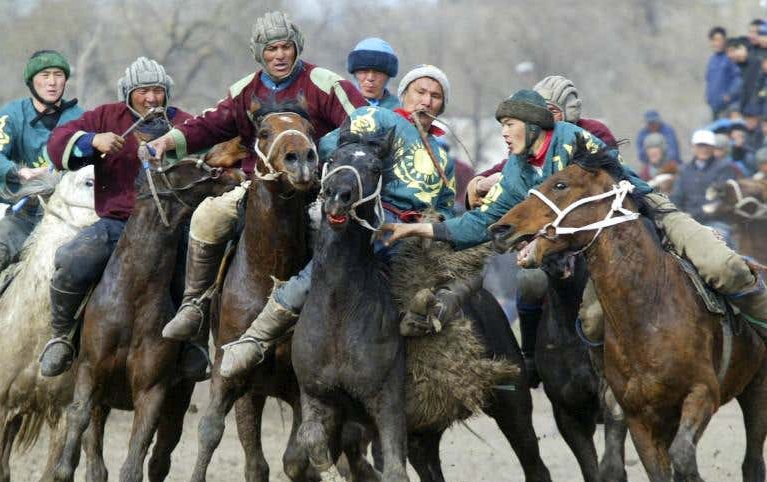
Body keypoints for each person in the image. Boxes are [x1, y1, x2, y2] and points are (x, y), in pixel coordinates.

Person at [383, 90, 767, 382]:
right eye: (501, 126)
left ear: (533, 126)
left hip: (648, 214)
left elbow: (613, 192)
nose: (503, 133)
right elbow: (482, 222)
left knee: (725, 266)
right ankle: (610, 387)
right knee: (592, 320)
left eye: (509, 125)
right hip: (591, 253)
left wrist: (542, 238)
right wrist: (418, 228)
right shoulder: (518, 169)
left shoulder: (571, 141)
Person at [218, 65, 457, 379]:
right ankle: (256, 337)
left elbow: (446, 208)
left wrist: (434, 228)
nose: (426, 101)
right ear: (405, 94)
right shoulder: (377, 119)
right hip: (361, 219)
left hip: (410, 238)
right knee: (316, 272)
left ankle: (413, 370)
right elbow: (328, 147)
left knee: (431, 296)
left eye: (435, 96)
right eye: (420, 92)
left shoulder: (442, 157)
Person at [152, 11, 366, 343]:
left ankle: (350, 319)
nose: (279, 56)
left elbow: (363, 123)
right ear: (259, 53)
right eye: (271, 49)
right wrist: (169, 141)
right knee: (207, 216)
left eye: (286, 47)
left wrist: (320, 147)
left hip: (317, 188)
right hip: (259, 191)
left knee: (338, 236)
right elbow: (209, 124)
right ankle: (194, 305)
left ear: (297, 48)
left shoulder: (325, 82)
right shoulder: (244, 90)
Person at [39, 57, 195, 377]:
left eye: (158, 91)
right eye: (143, 91)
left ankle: (194, 345)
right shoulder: (106, 116)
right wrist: (91, 140)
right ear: (128, 93)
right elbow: (56, 145)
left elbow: (211, 147)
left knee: (197, 272)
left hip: (170, 226)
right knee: (72, 259)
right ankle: (62, 335)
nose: (152, 98)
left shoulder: (182, 122)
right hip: (117, 224)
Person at [0, 50, 82, 376]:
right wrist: (18, 172)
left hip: (71, 219)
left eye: (58, 75)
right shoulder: (11, 116)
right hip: (25, 216)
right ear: (32, 81)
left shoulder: (82, 118)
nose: (52, 82)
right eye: (45, 76)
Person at [466, 75, 616, 209]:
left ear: (569, 113)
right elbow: (511, 166)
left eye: (552, 111)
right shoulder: (531, 137)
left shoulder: (593, 132)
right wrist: (479, 185)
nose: (543, 118)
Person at [671, 129, 738, 222]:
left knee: (721, 235)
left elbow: (721, 199)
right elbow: (676, 196)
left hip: (715, 220)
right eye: (700, 146)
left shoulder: (724, 167)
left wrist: (693, 215)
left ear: (713, 147)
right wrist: (678, 214)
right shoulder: (684, 169)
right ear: (693, 147)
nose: (704, 149)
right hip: (686, 220)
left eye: (707, 146)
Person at [347, 37, 400, 109]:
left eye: (378, 72)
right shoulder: (340, 106)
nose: (370, 78)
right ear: (355, 73)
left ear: (388, 76)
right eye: (364, 71)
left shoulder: (400, 111)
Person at [706, 26, 742, 120]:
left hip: (729, 107)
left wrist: (730, 95)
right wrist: (708, 98)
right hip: (715, 107)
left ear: (725, 40)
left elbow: (738, 78)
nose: (716, 43)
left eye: (719, 40)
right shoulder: (712, 60)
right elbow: (709, 80)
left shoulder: (730, 57)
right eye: (714, 40)